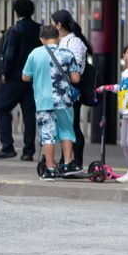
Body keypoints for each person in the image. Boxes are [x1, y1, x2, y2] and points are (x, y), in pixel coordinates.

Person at [21, 25, 81, 181]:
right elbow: (76, 79)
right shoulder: (67, 53)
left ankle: (50, 170)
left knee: (48, 135)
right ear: (58, 37)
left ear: (41, 39)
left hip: (44, 102)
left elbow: (25, 77)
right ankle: (68, 164)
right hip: (64, 101)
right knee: (67, 131)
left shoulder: (35, 53)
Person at [0, 0, 42, 161]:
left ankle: (8, 146)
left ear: (16, 11)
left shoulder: (15, 30)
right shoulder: (39, 29)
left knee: (2, 108)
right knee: (29, 114)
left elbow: (10, 53)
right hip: (33, 79)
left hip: (14, 78)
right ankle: (28, 151)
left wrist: (4, 73)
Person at [95, 42, 128, 183]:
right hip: (125, 112)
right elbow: (124, 88)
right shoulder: (125, 72)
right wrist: (107, 87)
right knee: (124, 143)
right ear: (124, 55)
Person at [50, 9, 90, 171]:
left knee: (72, 125)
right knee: (64, 125)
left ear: (59, 25)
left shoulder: (74, 42)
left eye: (53, 23)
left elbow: (77, 69)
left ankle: (77, 160)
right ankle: (66, 159)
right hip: (61, 90)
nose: (51, 26)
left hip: (72, 91)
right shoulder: (60, 41)